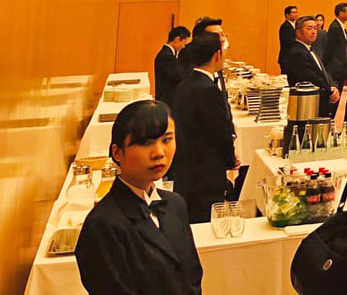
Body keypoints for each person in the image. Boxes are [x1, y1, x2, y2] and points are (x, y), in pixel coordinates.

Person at [75, 100, 203, 295]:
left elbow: (193, 277)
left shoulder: (175, 203)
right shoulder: (102, 225)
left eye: (167, 140)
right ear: (117, 152)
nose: (159, 153)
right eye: (145, 143)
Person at [171, 32, 237, 223]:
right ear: (217, 55)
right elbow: (220, 131)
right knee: (204, 222)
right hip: (204, 172)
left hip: (186, 167)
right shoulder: (208, 89)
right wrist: (230, 159)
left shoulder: (186, 82)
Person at [285, 15, 341, 118]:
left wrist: (332, 86)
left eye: (315, 28)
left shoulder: (309, 49)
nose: (314, 32)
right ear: (299, 32)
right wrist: (329, 91)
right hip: (307, 105)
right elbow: (311, 77)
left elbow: (322, 71)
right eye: (309, 28)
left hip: (318, 101)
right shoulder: (297, 52)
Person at [325, 2, 347, 112]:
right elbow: (329, 49)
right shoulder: (335, 27)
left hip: (340, 69)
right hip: (335, 69)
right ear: (341, 13)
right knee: (334, 98)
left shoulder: (341, 26)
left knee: (338, 97)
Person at [154, 26, 190, 105]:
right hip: (167, 99)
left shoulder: (168, 54)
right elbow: (179, 76)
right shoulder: (166, 56)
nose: (184, 46)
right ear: (177, 39)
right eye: (184, 43)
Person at [277, 5, 298, 74]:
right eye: (294, 13)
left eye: (296, 12)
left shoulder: (295, 25)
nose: (296, 14)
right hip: (286, 58)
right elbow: (288, 42)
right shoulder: (285, 26)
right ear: (287, 15)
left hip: (292, 58)